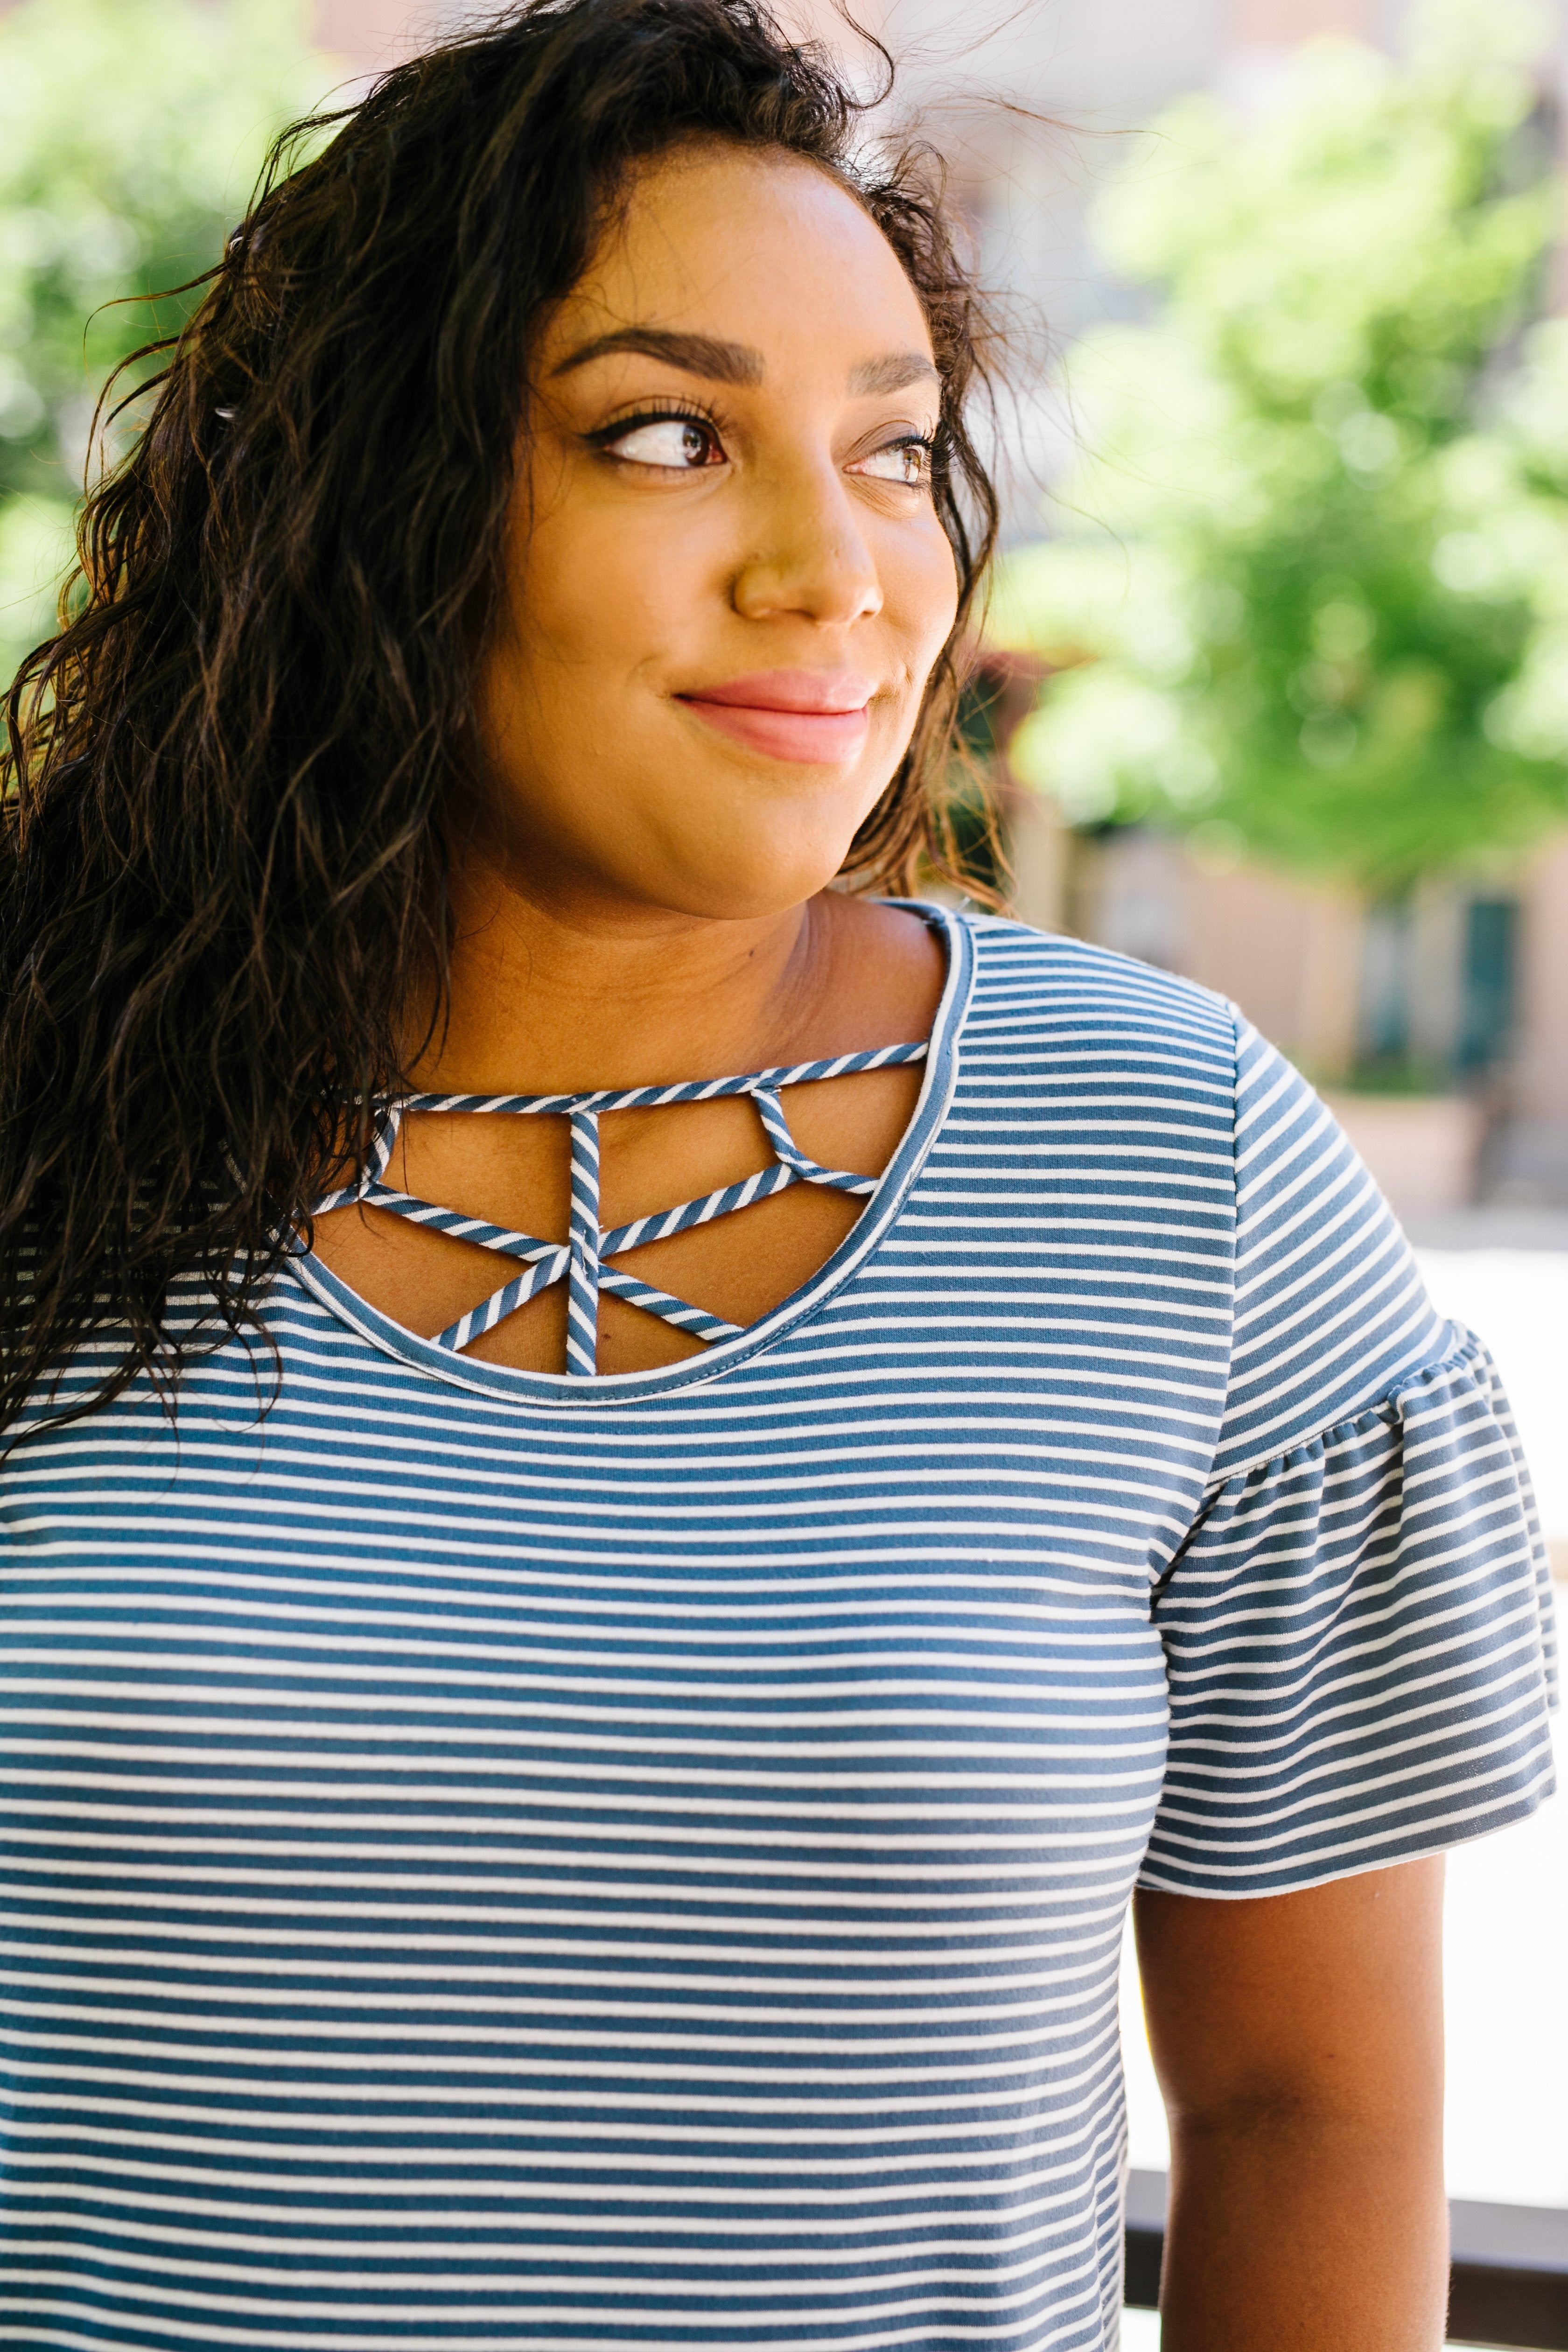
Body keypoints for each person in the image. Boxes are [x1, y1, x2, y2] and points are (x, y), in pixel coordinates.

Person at [0, 2, 1555, 2346]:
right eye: (664, 435)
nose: (838, 571)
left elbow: (1311, 2109)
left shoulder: (1176, 1163)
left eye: (899, 451)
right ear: (357, 505)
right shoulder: (35, 1103)